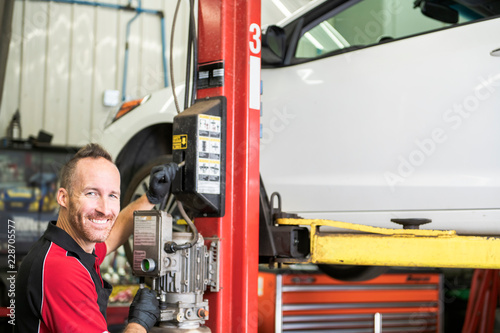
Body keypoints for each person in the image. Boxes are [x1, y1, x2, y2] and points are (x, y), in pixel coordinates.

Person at [16, 143, 178, 333]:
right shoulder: (62, 269)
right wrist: (139, 324)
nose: (104, 209)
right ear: (63, 197)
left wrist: (151, 198)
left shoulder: (71, 248)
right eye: (91, 193)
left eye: (112, 195)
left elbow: (112, 235)